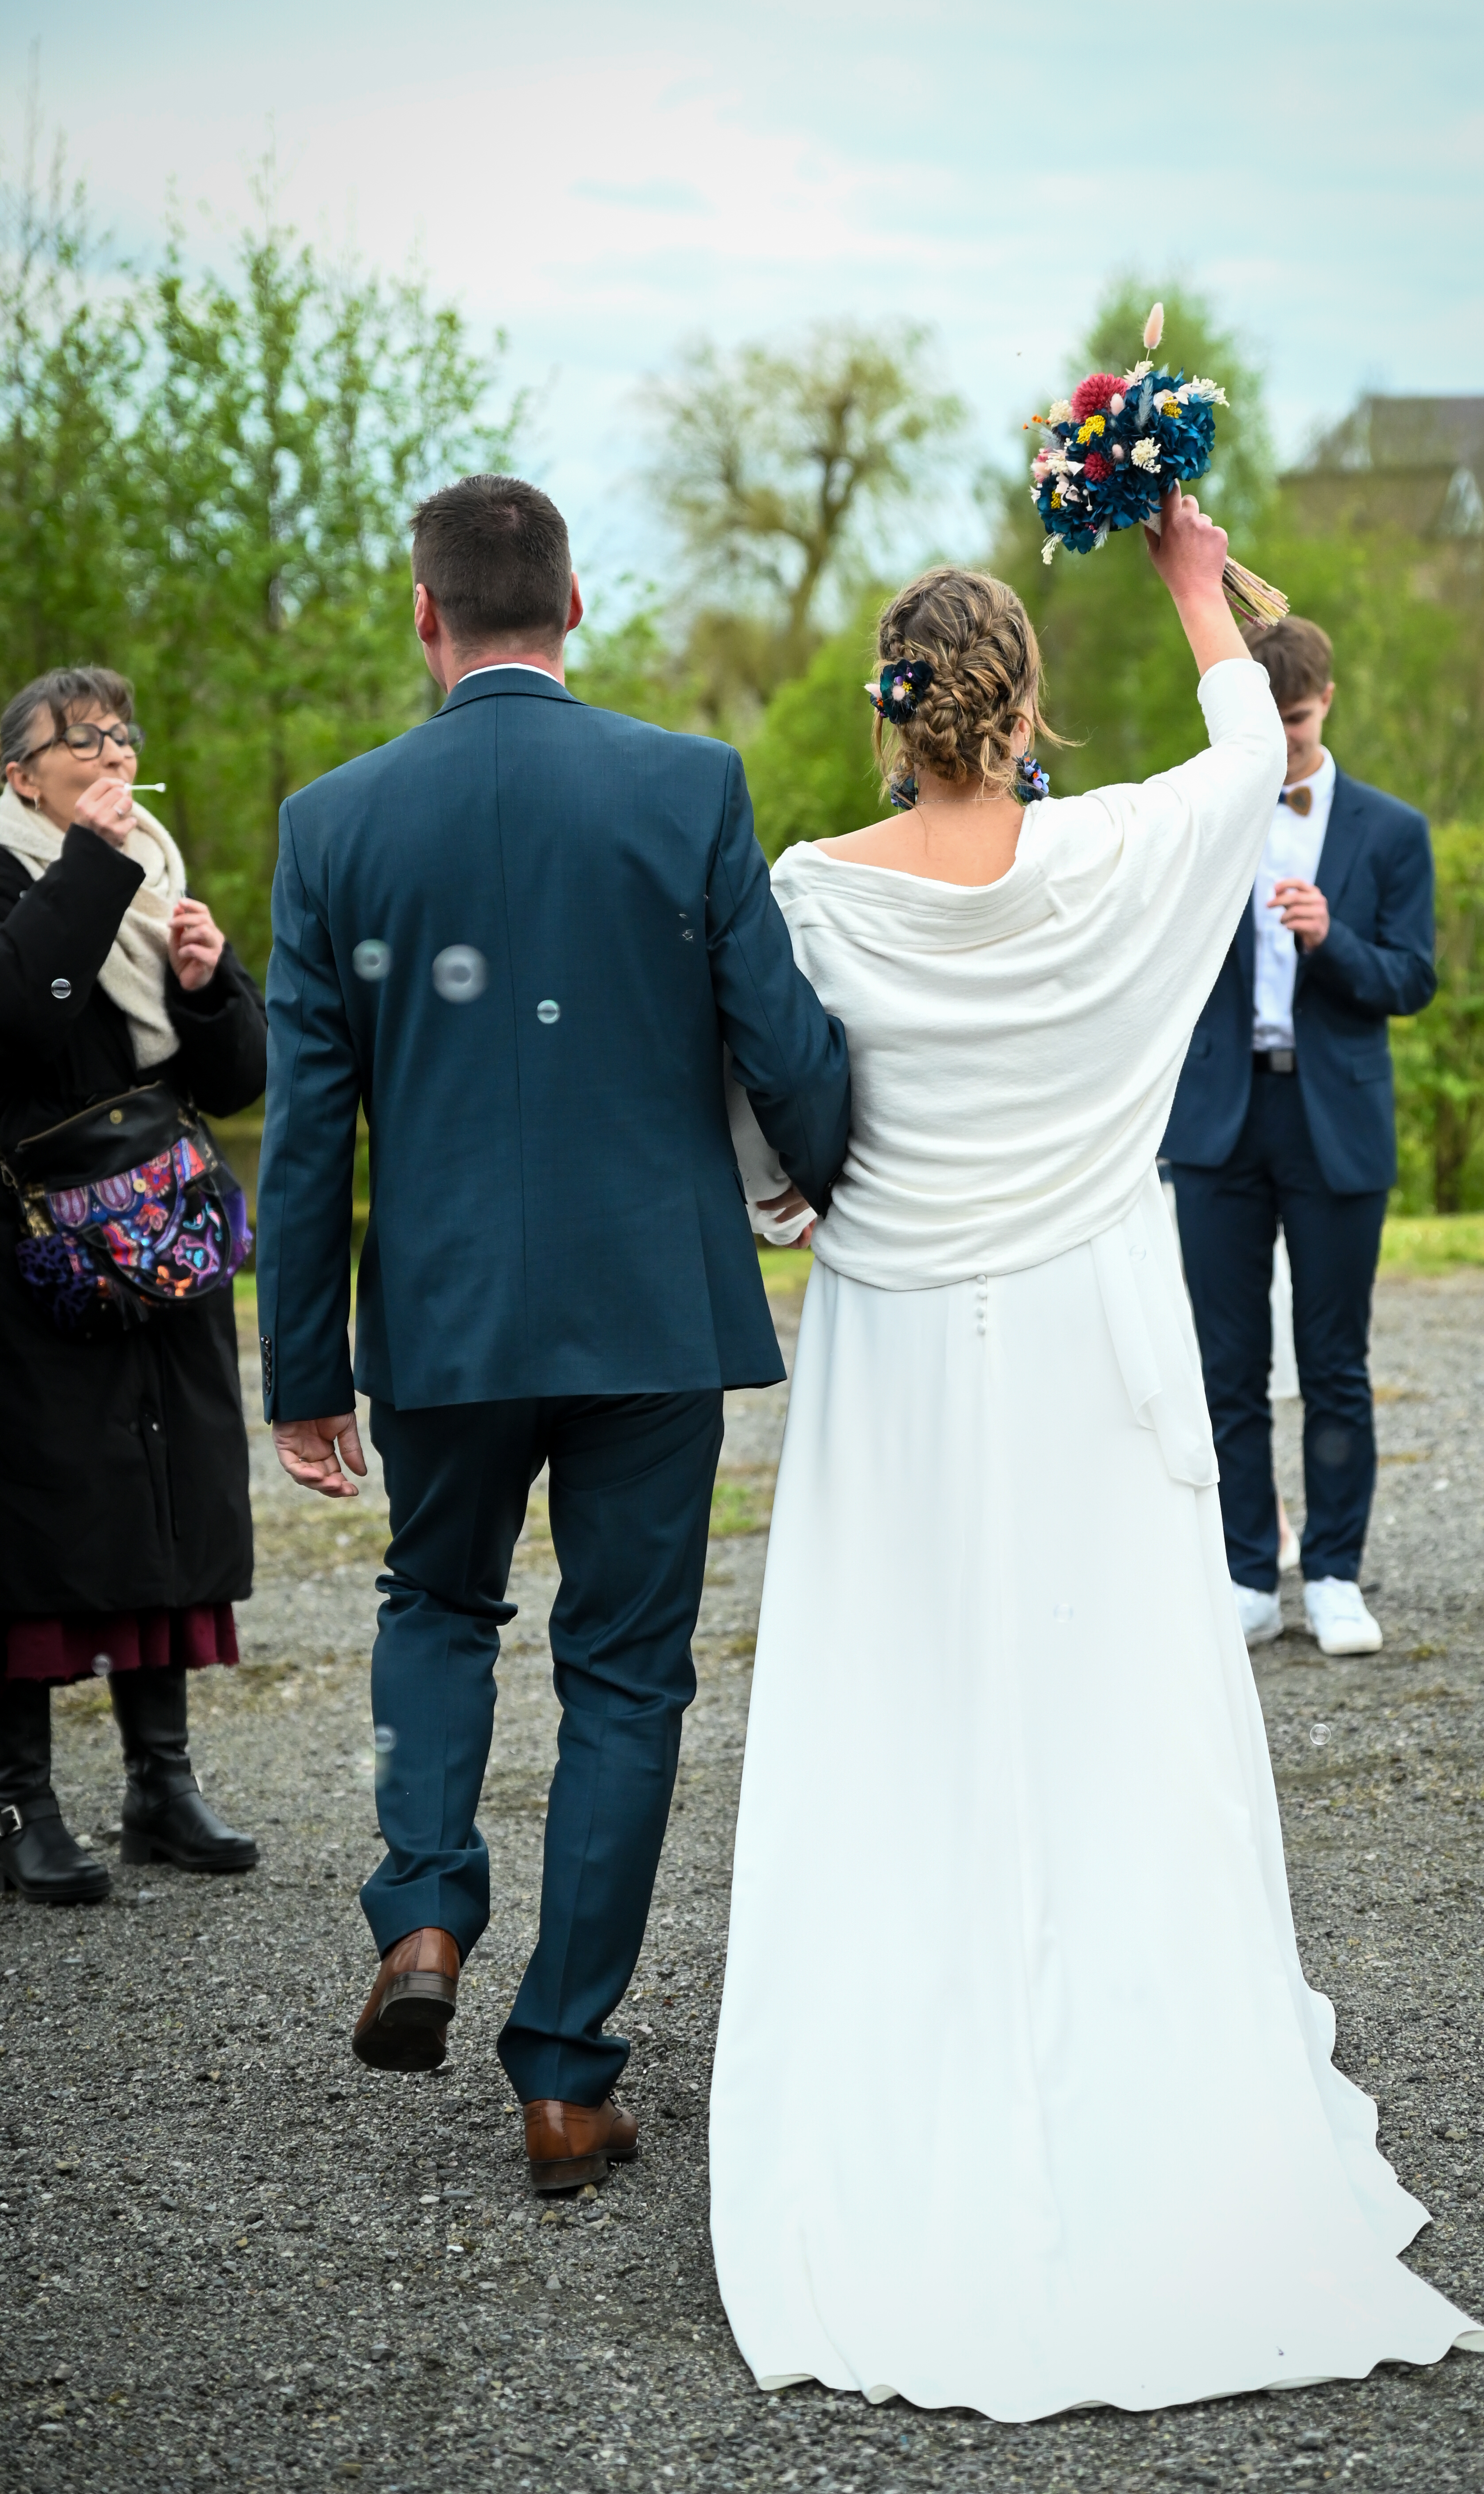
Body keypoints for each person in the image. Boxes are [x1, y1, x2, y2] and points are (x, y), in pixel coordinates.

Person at [710, 496, 1484, 2416]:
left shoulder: (815, 886)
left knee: (905, 1683)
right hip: (1076, 1324)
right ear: (1023, 700)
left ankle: (908, 2049)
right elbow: (1245, 749)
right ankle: (1127, 2043)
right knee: (1092, 1685)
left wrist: (784, 1201)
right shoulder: (1115, 856)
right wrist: (1185, 572)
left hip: (897, 1334)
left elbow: (758, 1105)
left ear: (896, 716)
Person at [258, 474, 850, 2190]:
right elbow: (787, 1041)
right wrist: (821, 1178)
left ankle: (428, 1907)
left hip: (441, 1318)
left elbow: (312, 1133)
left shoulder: (334, 823)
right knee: (624, 1678)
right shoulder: (688, 786)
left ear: (423, 613)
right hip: (653, 1307)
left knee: (436, 1605)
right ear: (575, 609)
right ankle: (566, 2073)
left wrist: (304, 1371)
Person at [0, 666, 266, 1904]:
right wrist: (94, 871)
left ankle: (161, 1783)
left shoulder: (152, 872)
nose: (112, 751)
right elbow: (20, 1022)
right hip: (40, 1249)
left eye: (122, 732)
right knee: (45, 1513)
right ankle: (22, 1803)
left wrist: (210, 986)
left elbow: (236, 1077)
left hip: (165, 1239)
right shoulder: (25, 871)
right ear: (20, 776)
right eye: (81, 738)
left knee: (163, 1493)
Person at [1161, 616, 1436, 1657]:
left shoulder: (1391, 831)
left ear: (1329, 698)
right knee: (1226, 1364)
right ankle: (1245, 1576)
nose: (1282, 743)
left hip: (1335, 1119)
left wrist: (1335, 942)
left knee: (1334, 1362)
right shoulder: (1206, 814)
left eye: (1298, 722)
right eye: (1265, 729)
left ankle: (1333, 1574)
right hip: (1219, 1121)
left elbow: (1411, 979)